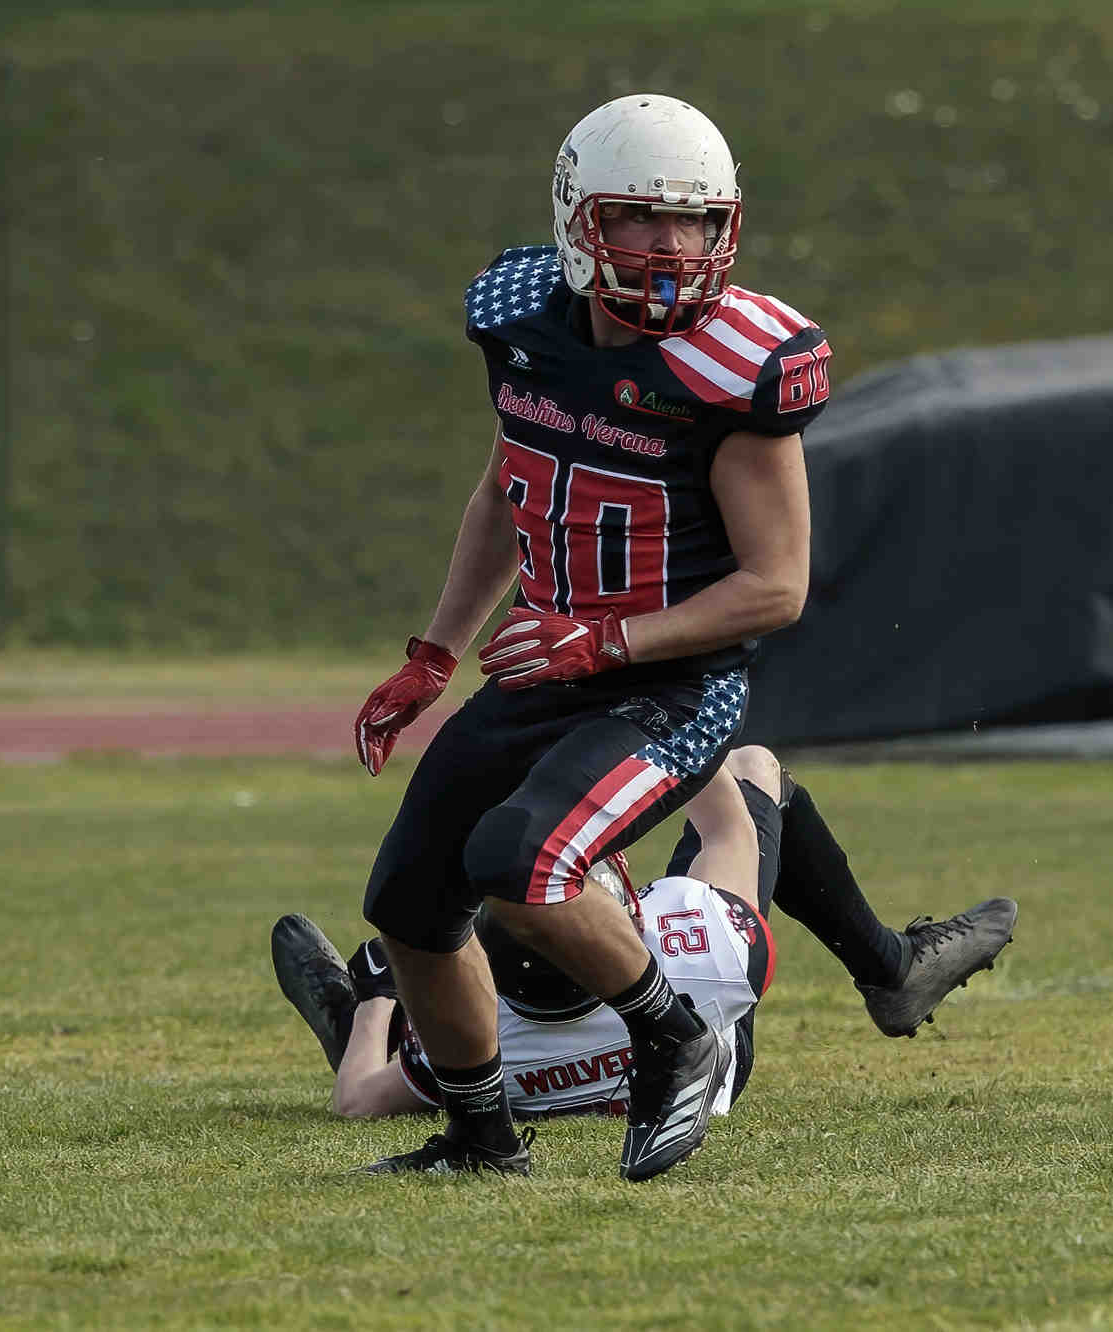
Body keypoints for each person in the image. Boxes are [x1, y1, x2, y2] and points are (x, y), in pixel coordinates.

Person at [350, 93, 826, 1180]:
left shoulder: (732, 365)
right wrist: (431, 653)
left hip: (666, 685)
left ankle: (672, 1042)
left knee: (523, 864)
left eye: (696, 222)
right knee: (410, 905)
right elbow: (501, 489)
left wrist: (600, 644)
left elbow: (775, 588)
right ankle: (481, 1139)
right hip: (549, 666)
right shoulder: (518, 318)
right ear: (576, 219)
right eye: (641, 220)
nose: (672, 248)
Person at [274, 746, 1017, 1127]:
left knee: (415, 1014)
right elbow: (724, 813)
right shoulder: (697, 942)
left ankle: (371, 1017)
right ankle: (891, 970)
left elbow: (357, 1102)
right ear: (625, 911)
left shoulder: (480, 1032)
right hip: (707, 1052)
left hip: (514, 1060)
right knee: (755, 767)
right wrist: (643, 716)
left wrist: (375, 994)